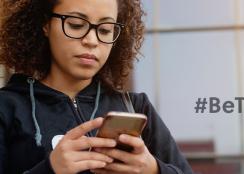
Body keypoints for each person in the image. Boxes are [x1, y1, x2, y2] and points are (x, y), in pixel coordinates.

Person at [0, 0, 193, 173]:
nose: (92, 41)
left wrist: (152, 169)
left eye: (105, 30)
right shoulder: (7, 107)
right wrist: (50, 169)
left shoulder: (135, 107)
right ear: (45, 24)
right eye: (76, 25)